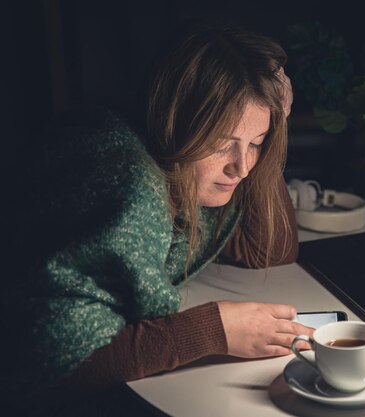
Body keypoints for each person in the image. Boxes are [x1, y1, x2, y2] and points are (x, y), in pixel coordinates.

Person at [2, 25, 313, 415]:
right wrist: (214, 330)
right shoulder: (130, 184)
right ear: (176, 120)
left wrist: (272, 121)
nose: (242, 168)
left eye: (255, 145)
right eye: (222, 143)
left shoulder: (195, 170)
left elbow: (269, 249)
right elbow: (46, 364)